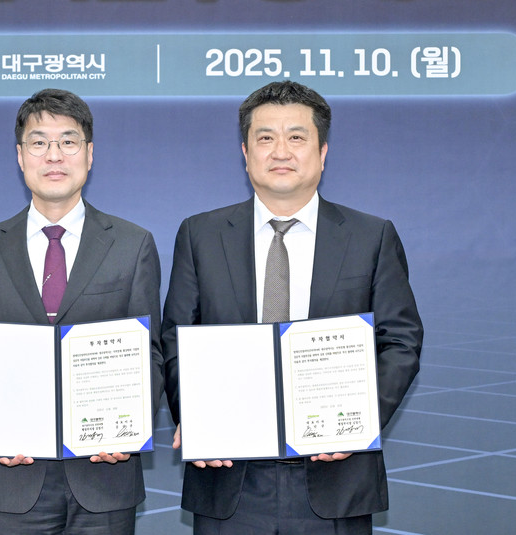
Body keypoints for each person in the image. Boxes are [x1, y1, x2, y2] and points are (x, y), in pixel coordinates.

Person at [162, 80, 423, 534]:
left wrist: (358, 422)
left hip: (335, 478)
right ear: (245, 153)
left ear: (322, 152)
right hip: (228, 478)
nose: (280, 151)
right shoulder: (200, 235)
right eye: (265, 137)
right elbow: (175, 339)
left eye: (296, 137)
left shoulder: (371, 236)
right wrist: (196, 417)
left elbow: (400, 342)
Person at [0, 88, 163, 535]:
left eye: (68, 141)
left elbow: (150, 353)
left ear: (90, 154)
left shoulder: (132, 243)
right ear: (20, 156)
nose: (54, 155)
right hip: (16, 473)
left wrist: (128, 427)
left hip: (105, 473)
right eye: (39, 142)